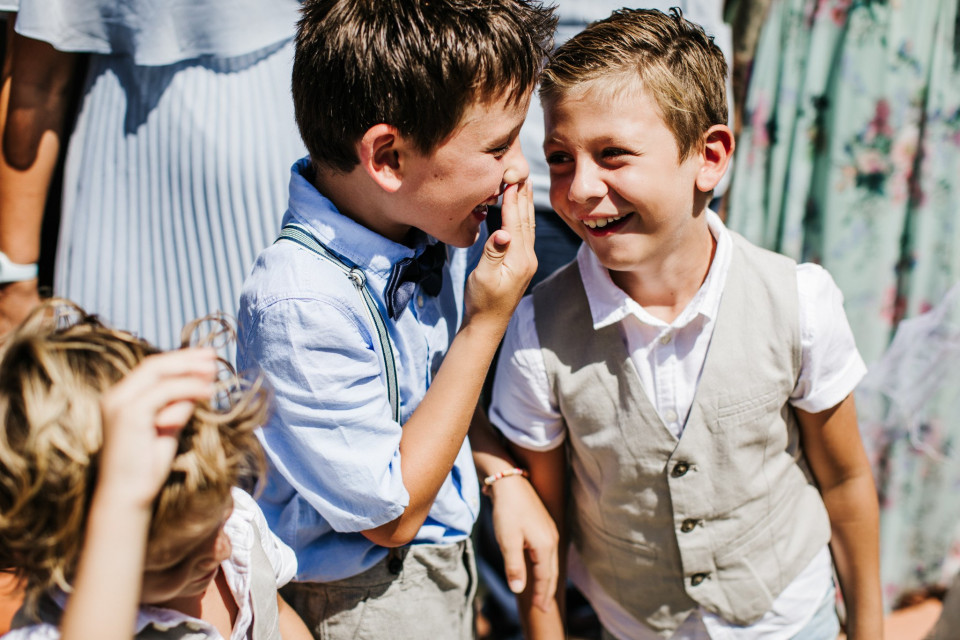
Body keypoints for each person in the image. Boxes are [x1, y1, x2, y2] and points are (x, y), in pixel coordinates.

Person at [486, 8, 883, 639]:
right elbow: (547, 536)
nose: (581, 187)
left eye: (613, 155)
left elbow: (845, 478)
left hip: (790, 617)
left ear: (709, 156)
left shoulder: (799, 302)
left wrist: (868, 630)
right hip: (633, 623)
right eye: (560, 158)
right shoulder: (539, 333)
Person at [235, 1, 556, 638]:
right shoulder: (301, 307)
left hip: (439, 567)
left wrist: (499, 472)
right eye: (497, 145)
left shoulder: (422, 225)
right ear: (388, 158)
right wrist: (485, 323)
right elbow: (388, 515)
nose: (520, 169)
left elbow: (425, 405)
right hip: (360, 602)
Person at [0, 0, 306, 349]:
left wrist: (15, 276)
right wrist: (15, 276)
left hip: (277, 121)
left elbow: (37, 83)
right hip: (120, 168)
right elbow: (36, 82)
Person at [0, 301, 311, 639]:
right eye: (175, 561)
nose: (220, 549)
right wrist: (122, 500)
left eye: (220, 517)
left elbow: (276, 613)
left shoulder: (235, 520)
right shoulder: (54, 627)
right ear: (68, 556)